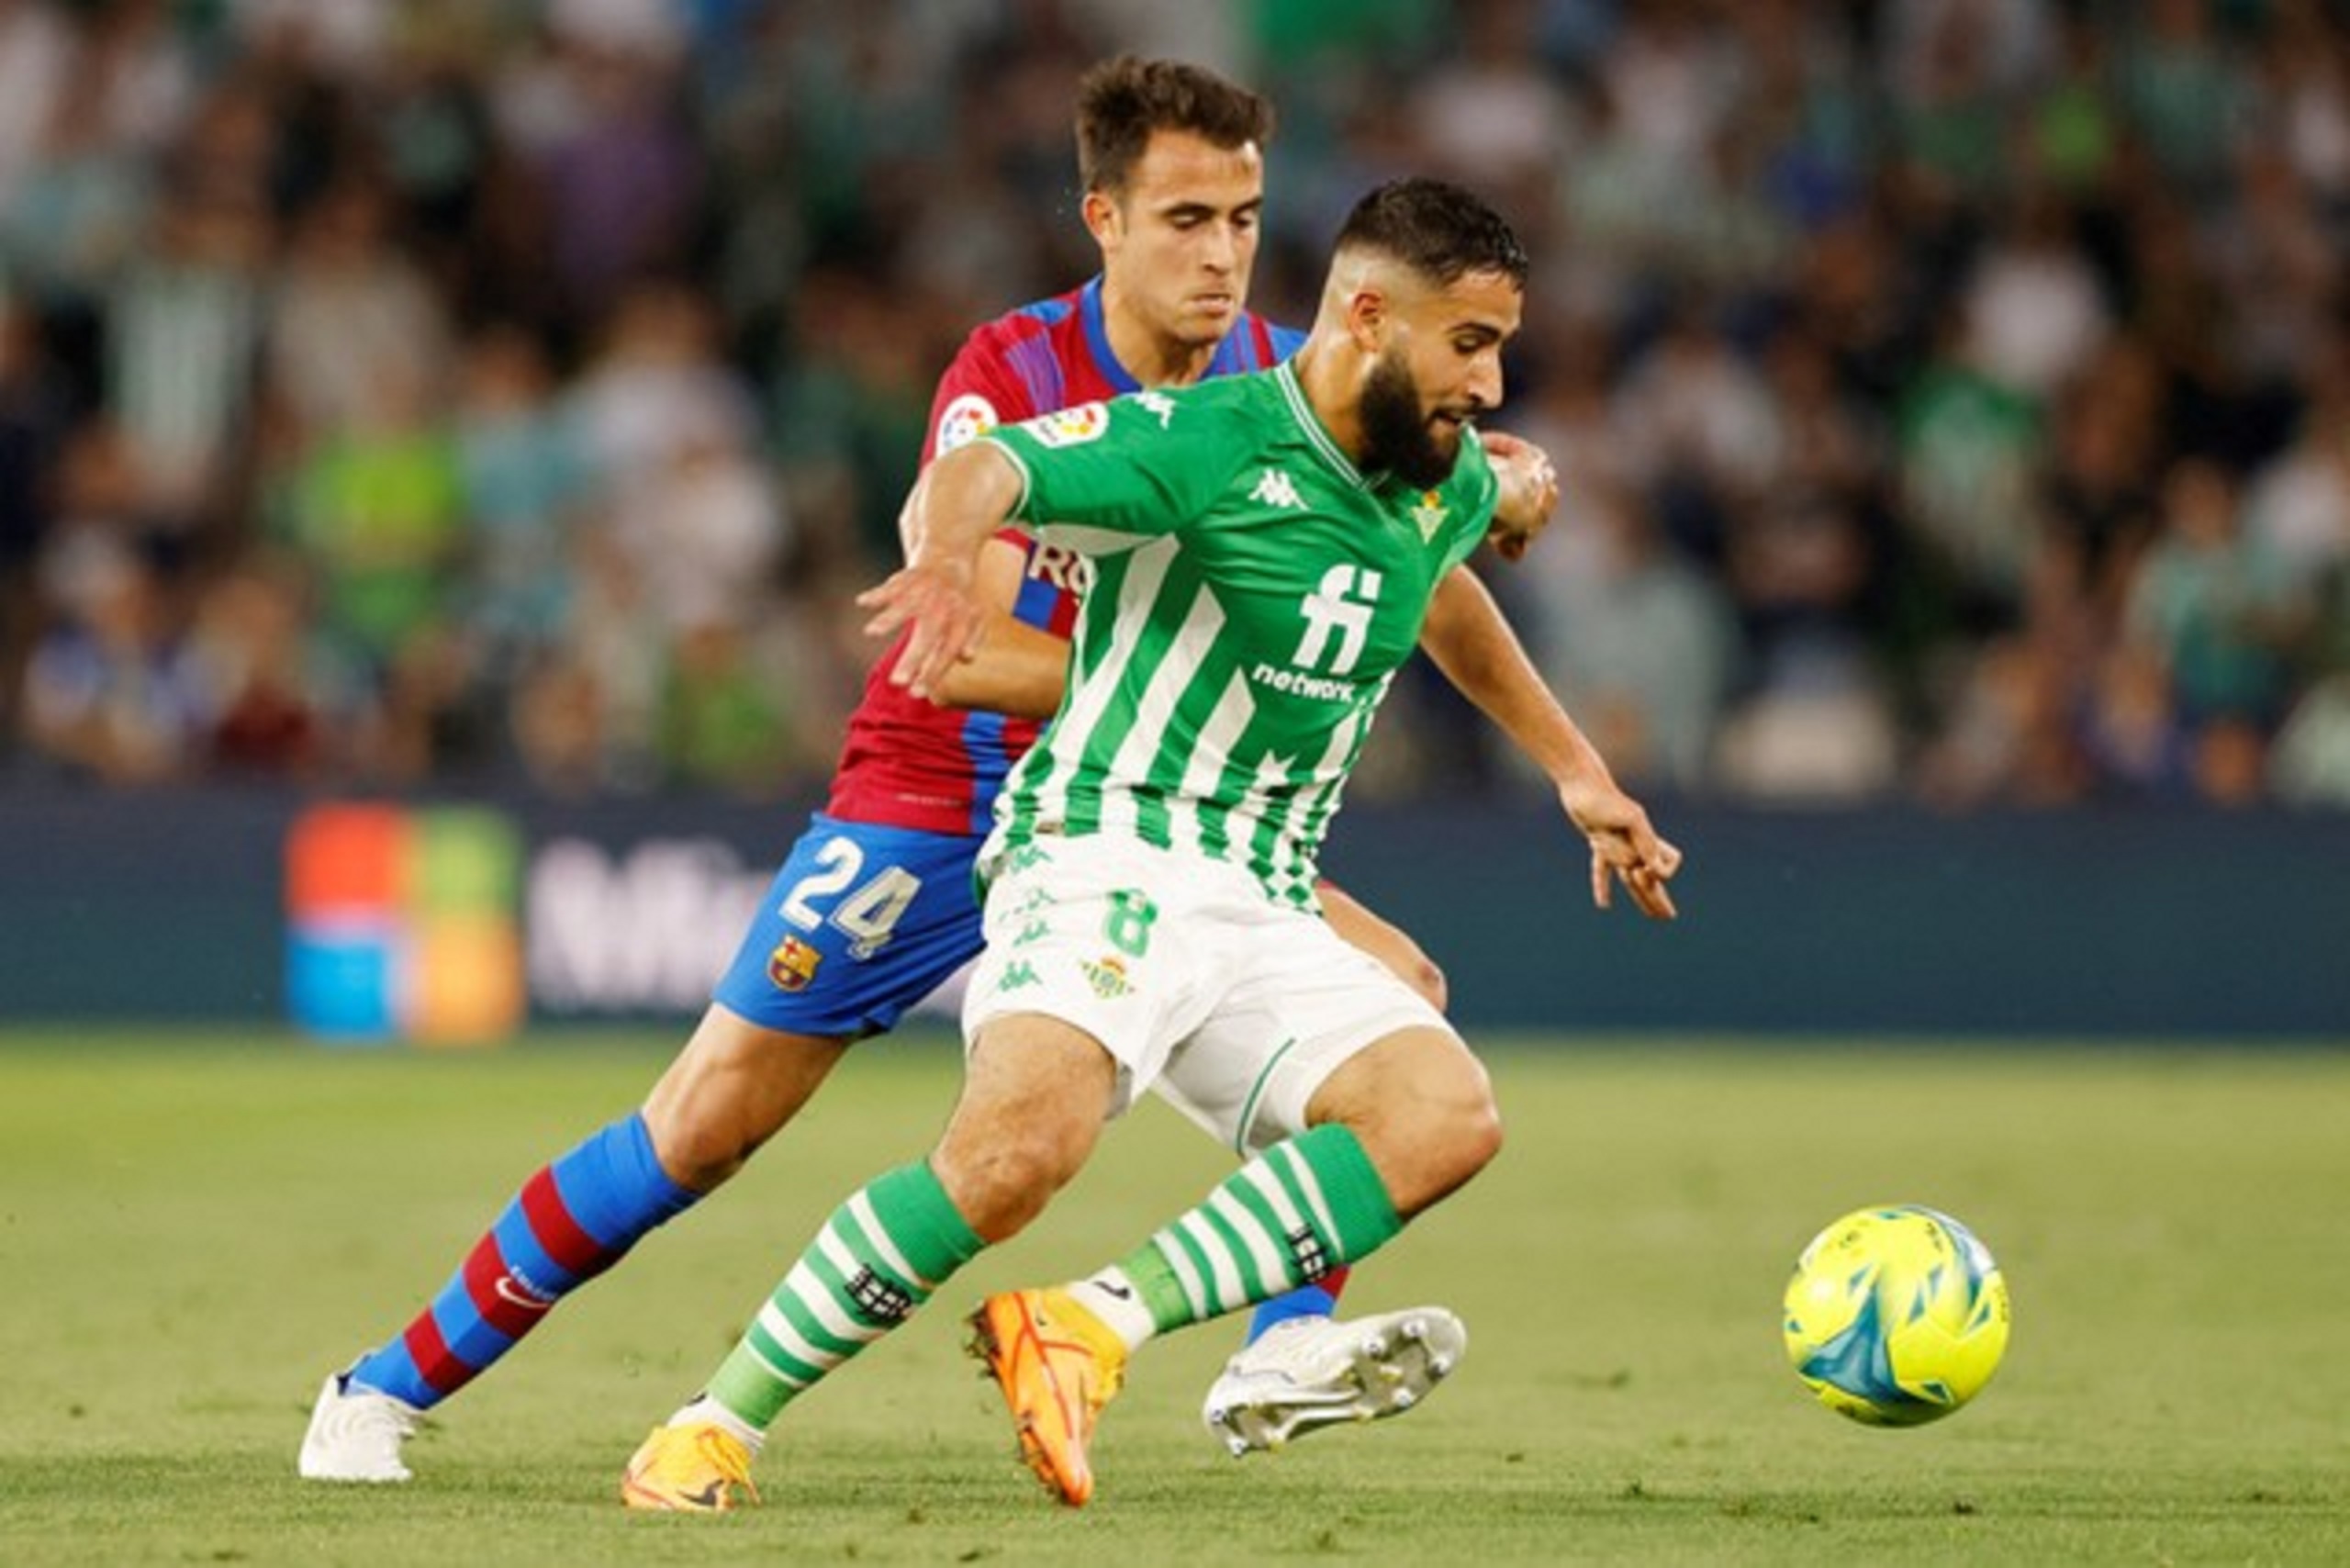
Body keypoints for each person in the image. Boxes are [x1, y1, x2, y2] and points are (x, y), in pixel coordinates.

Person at [299, 57, 1556, 1487]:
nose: (1222, 256)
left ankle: (1273, 1349)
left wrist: (1512, 574)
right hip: (943, 798)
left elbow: (1406, 569)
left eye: (1246, 219)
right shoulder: (1011, 373)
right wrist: (1208, 673)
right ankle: (381, 1386)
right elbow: (959, 654)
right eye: (1186, 219)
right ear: (1103, 218)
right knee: (703, 1127)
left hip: (1161, 815)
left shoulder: (1302, 379)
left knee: (1402, 999)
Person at [618, 175, 1681, 1512]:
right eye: (1469, 344)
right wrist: (951, 552)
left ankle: (1090, 1328)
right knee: (1013, 1161)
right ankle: (711, 1427)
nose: (1493, 379)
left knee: (1442, 1112)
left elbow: (1452, 574)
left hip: (1264, 897)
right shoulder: (1206, 439)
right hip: (1104, 848)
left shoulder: (1437, 474)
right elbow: (990, 466)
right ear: (1366, 316)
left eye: (1501, 346)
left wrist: (1578, 770)